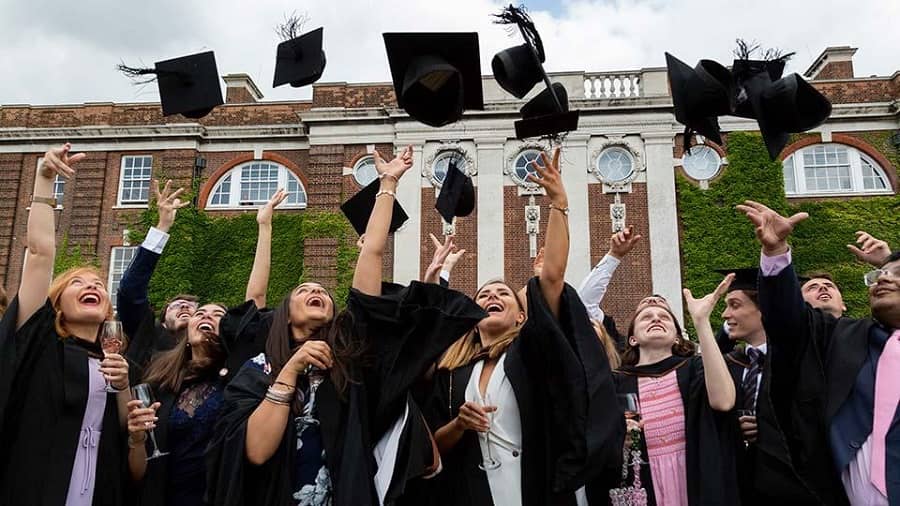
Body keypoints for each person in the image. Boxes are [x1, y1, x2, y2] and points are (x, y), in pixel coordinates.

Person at [206, 146, 487, 506]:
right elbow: (258, 452)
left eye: (322, 291)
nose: (315, 290)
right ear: (284, 314)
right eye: (304, 290)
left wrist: (387, 185)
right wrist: (291, 369)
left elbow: (371, 254)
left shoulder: (345, 364)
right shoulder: (258, 370)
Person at [427, 147, 624, 506]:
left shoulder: (530, 351)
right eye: (483, 294)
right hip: (474, 492)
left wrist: (558, 204)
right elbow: (433, 445)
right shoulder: (453, 371)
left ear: (522, 315)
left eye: (502, 293)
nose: (491, 295)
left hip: (536, 487)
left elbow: (552, 278)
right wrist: (460, 424)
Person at [124, 190, 287, 506]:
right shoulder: (159, 366)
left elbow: (256, 301)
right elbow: (131, 294)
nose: (206, 316)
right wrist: (162, 226)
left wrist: (265, 227)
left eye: (218, 315)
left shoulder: (238, 369)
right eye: (201, 313)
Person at [738, 200, 900, 505]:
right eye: (878, 276)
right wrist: (775, 253)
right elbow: (787, 321)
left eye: (894, 275)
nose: (883, 279)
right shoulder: (844, 339)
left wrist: (886, 261)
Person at [0, 144, 130, 505]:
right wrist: (44, 182)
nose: (92, 285)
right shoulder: (40, 344)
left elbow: (125, 437)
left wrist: (125, 387)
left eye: (99, 284)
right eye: (78, 282)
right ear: (55, 304)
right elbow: (40, 253)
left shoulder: (116, 363)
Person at [595, 275, 739, 505]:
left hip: (694, 478)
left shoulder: (694, 368)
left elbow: (724, 402)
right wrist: (618, 435)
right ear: (632, 338)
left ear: (676, 338)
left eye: (664, 316)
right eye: (646, 317)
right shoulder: (616, 381)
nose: (655, 318)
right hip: (643, 485)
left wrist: (701, 321)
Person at [118, 179, 198, 376]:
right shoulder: (149, 334)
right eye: (177, 305)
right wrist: (162, 227)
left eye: (194, 309)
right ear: (162, 321)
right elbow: (130, 291)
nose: (186, 307)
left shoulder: (209, 351)